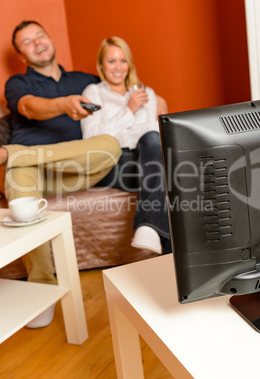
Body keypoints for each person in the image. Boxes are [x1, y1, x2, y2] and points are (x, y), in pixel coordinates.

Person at [1, 21, 122, 328]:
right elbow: (31, 107)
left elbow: (123, 91)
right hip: (34, 172)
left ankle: (13, 152)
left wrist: (151, 102)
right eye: (28, 42)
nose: (37, 42)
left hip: (76, 168)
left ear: (49, 37)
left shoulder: (85, 80)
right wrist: (64, 104)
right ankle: (41, 287)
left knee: (109, 144)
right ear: (23, 56)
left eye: (40, 35)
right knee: (18, 175)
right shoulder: (17, 83)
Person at [81, 37, 171, 255]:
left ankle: (149, 228)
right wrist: (129, 110)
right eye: (111, 61)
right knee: (171, 179)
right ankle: (153, 232)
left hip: (146, 157)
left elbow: (151, 135)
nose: (118, 67)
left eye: (123, 61)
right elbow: (91, 136)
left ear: (129, 64)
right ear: (101, 65)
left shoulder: (145, 93)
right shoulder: (92, 93)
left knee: (152, 139)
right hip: (112, 161)